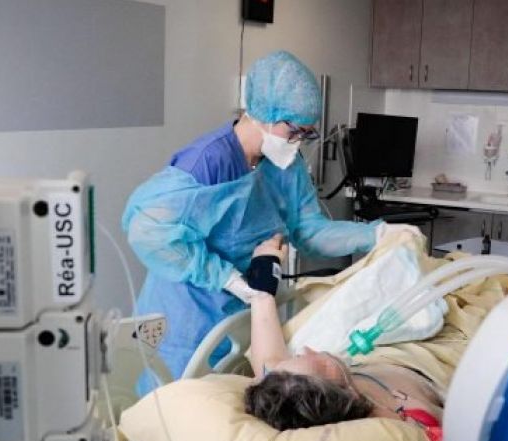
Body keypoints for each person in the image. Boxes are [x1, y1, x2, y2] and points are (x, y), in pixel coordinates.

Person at [123, 50, 416, 396]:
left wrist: (377, 234)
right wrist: (227, 278)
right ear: (263, 114)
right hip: (185, 317)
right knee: (175, 406)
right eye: (294, 131)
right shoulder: (208, 162)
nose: (298, 142)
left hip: (239, 314)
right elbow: (147, 231)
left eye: (306, 134)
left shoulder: (285, 164)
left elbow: (309, 231)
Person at [243, 234, 444, 440]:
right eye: (323, 366)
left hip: (378, 358)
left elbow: (269, 361)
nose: (309, 350)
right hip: (424, 361)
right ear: (349, 394)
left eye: (297, 358)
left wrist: (263, 278)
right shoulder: (399, 416)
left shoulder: (295, 398)